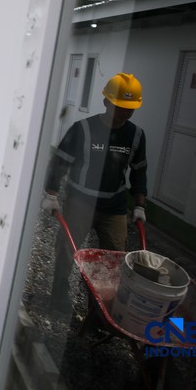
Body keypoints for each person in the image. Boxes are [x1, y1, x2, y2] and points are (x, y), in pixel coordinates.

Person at [41, 73, 147, 312]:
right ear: (106, 102)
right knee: (69, 249)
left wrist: (140, 205)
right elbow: (59, 163)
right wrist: (51, 194)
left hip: (115, 207)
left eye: (130, 109)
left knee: (115, 258)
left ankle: (101, 307)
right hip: (81, 202)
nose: (124, 114)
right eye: (120, 107)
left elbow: (139, 172)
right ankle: (59, 291)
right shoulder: (83, 130)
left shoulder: (136, 136)